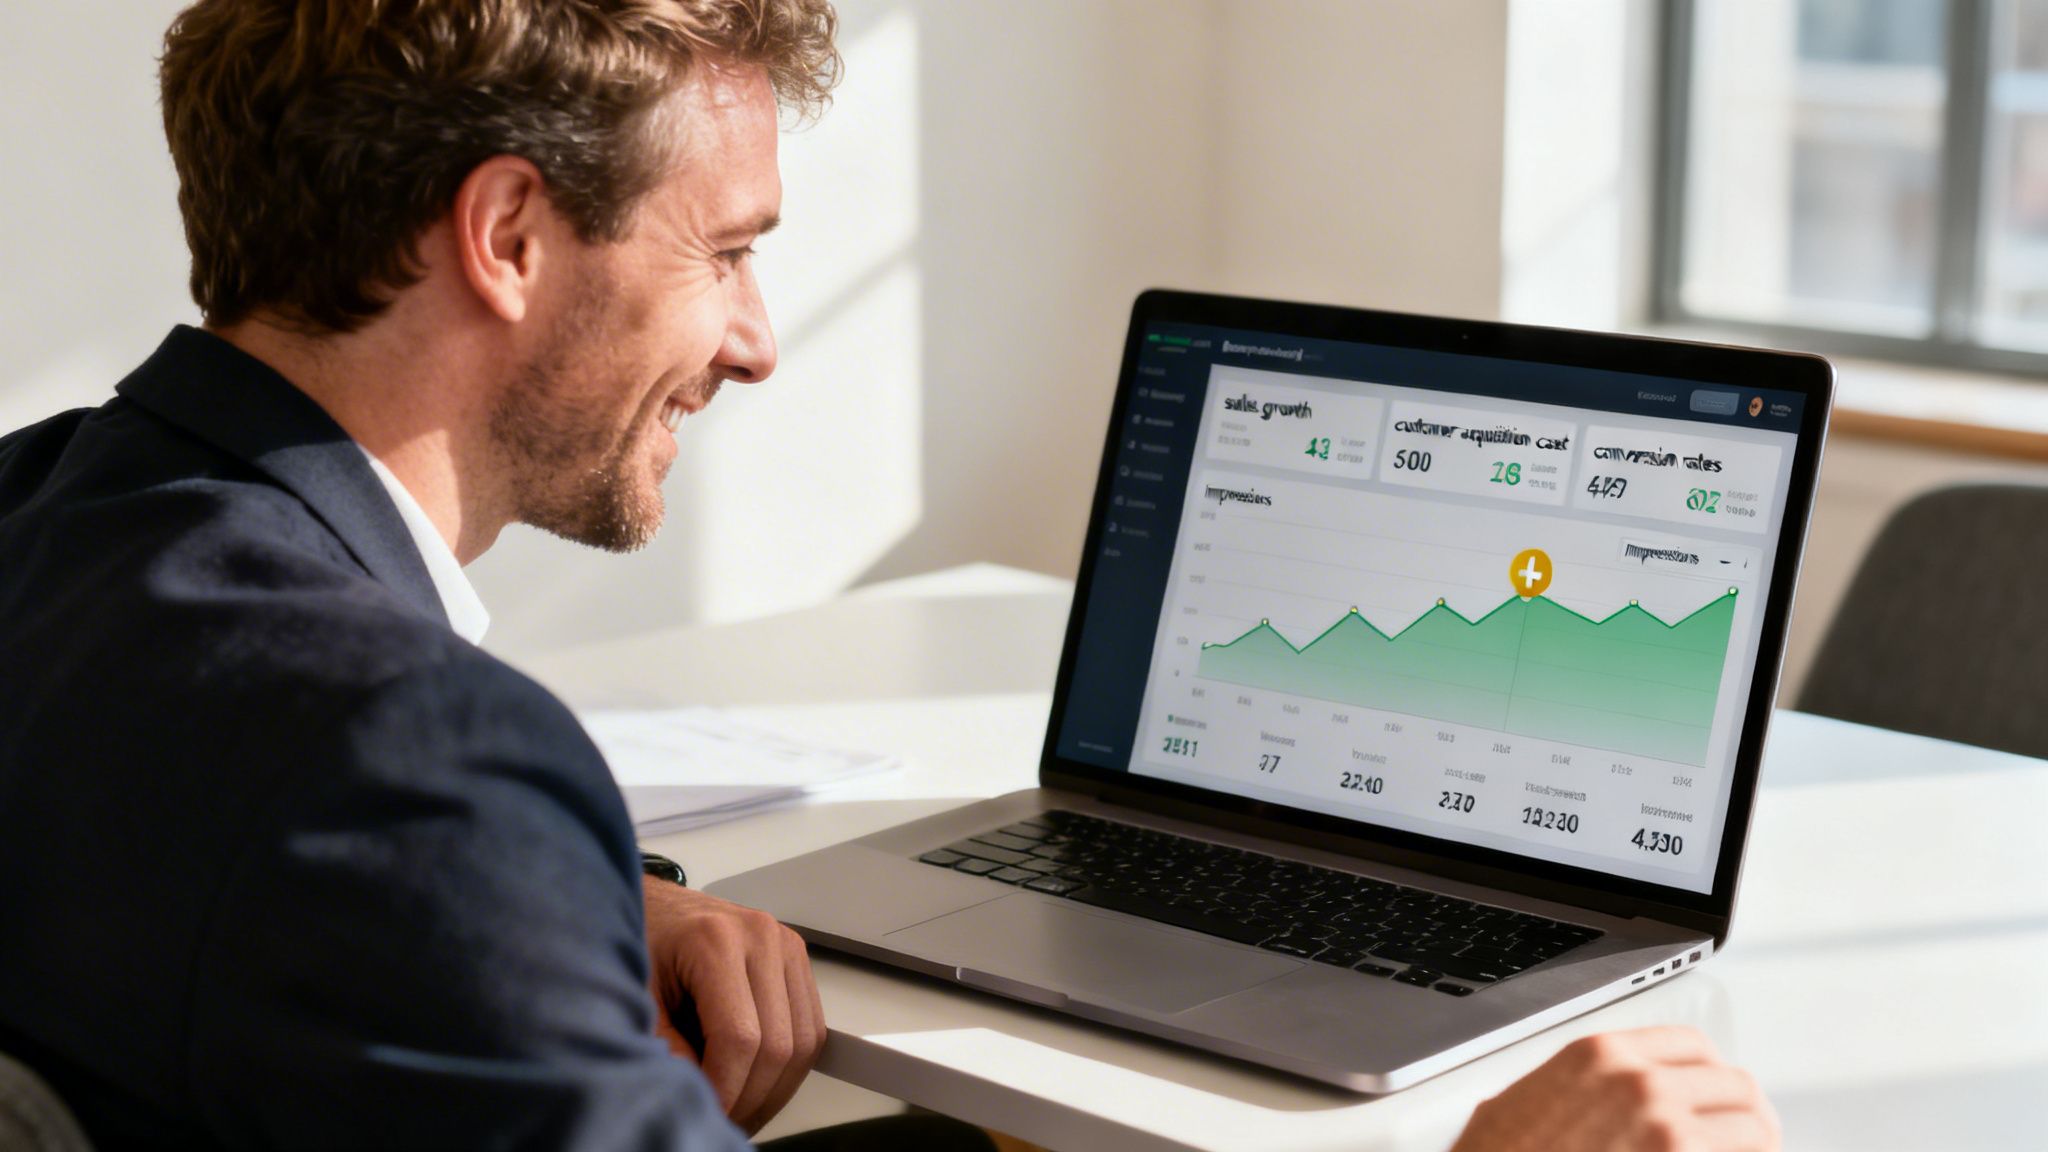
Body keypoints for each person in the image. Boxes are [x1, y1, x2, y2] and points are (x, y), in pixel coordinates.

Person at [0, 2, 1779, 1149]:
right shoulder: (418, 771)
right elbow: (372, 827)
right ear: (511, 235)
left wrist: (580, 905)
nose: (758, 342)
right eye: (726, 254)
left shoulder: (53, 514)